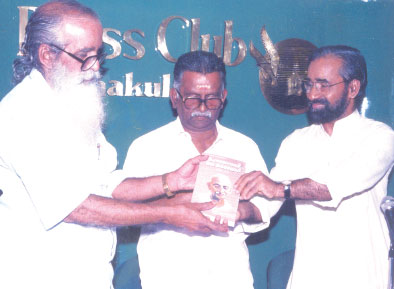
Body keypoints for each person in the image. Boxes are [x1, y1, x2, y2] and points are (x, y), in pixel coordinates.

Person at [0, 2, 226, 289]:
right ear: (46, 54)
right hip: (40, 277)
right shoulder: (22, 114)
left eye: (98, 54)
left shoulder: (74, 102)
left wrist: (170, 181)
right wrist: (169, 214)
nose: (95, 68)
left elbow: (104, 184)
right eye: (84, 56)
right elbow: (75, 208)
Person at [235, 45, 394, 289]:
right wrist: (232, 211)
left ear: (353, 88)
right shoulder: (297, 141)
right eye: (309, 84)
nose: (311, 94)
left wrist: (279, 189)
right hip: (308, 277)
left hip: (364, 276)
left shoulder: (380, 137)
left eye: (323, 85)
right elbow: (266, 203)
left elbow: (332, 187)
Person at [122, 50, 278, 289]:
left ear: (224, 96)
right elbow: (127, 211)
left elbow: (264, 207)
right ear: (174, 97)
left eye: (212, 98)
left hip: (230, 278)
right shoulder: (145, 147)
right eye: (193, 98)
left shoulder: (244, 146)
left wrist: (242, 210)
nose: (203, 107)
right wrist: (176, 204)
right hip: (166, 280)